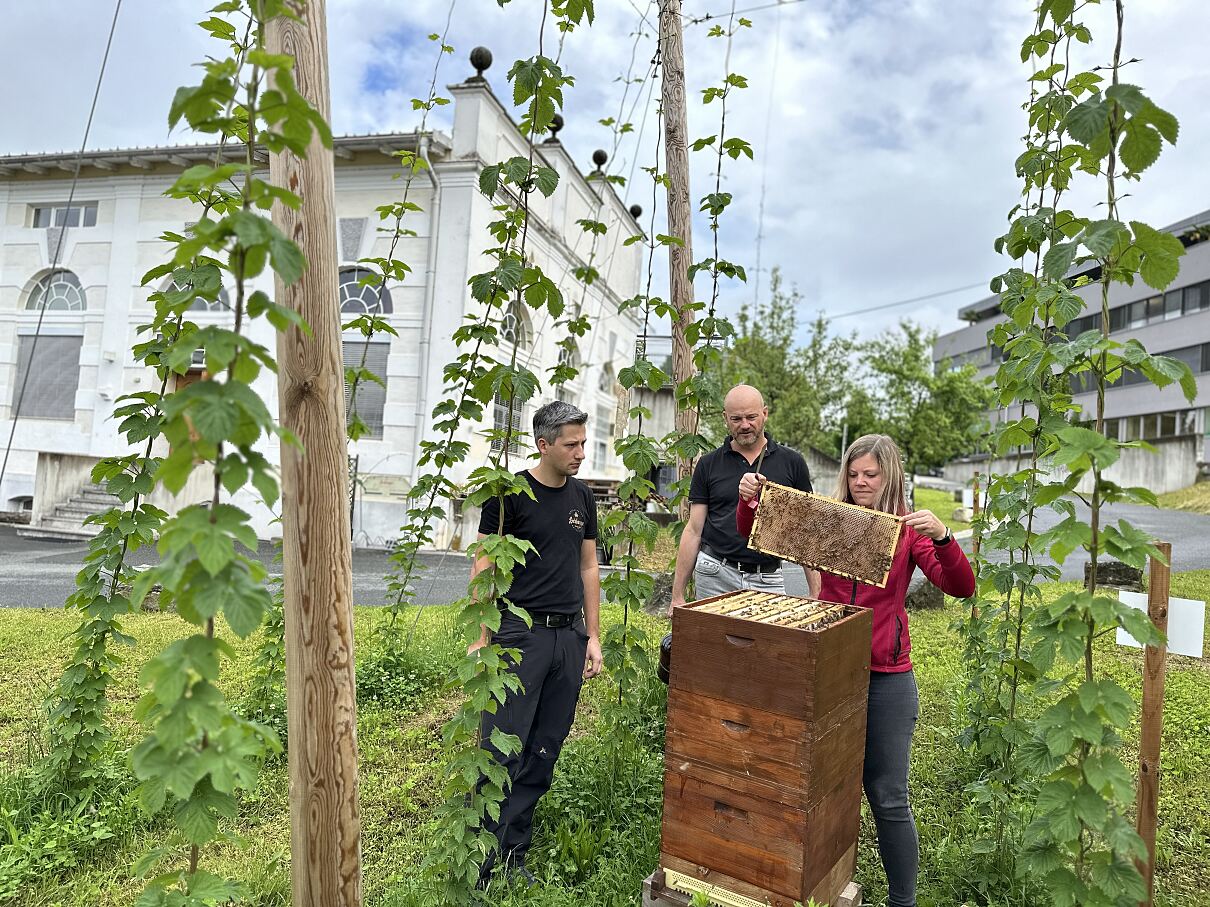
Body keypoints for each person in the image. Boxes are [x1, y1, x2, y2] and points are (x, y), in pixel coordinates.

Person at [736, 434, 974, 907]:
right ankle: (813, 886)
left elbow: (960, 586)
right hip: (826, 670)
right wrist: (750, 501)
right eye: (854, 473)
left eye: (872, 474)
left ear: (890, 476)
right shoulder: (830, 520)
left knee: (887, 796)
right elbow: (763, 532)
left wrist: (944, 538)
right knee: (817, 787)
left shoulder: (907, 531)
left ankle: (902, 900)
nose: (861, 482)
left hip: (886, 676)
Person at [469, 400, 604, 887]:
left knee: (546, 746)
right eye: (572, 444)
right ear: (543, 444)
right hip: (519, 636)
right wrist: (481, 636)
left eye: (584, 443)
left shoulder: (583, 498)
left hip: (568, 636)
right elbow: (483, 563)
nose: (581, 453)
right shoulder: (509, 496)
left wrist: (593, 636)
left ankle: (514, 849)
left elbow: (588, 566)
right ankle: (480, 860)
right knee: (502, 745)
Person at [669, 384, 820, 616]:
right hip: (716, 573)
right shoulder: (708, 464)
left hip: (768, 578)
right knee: (713, 648)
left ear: (765, 414)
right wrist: (677, 596)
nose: (745, 425)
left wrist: (815, 595)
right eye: (736, 419)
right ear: (725, 419)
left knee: (768, 650)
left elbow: (804, 533)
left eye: (751, 417)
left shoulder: (792, 463)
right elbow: (693, 530)